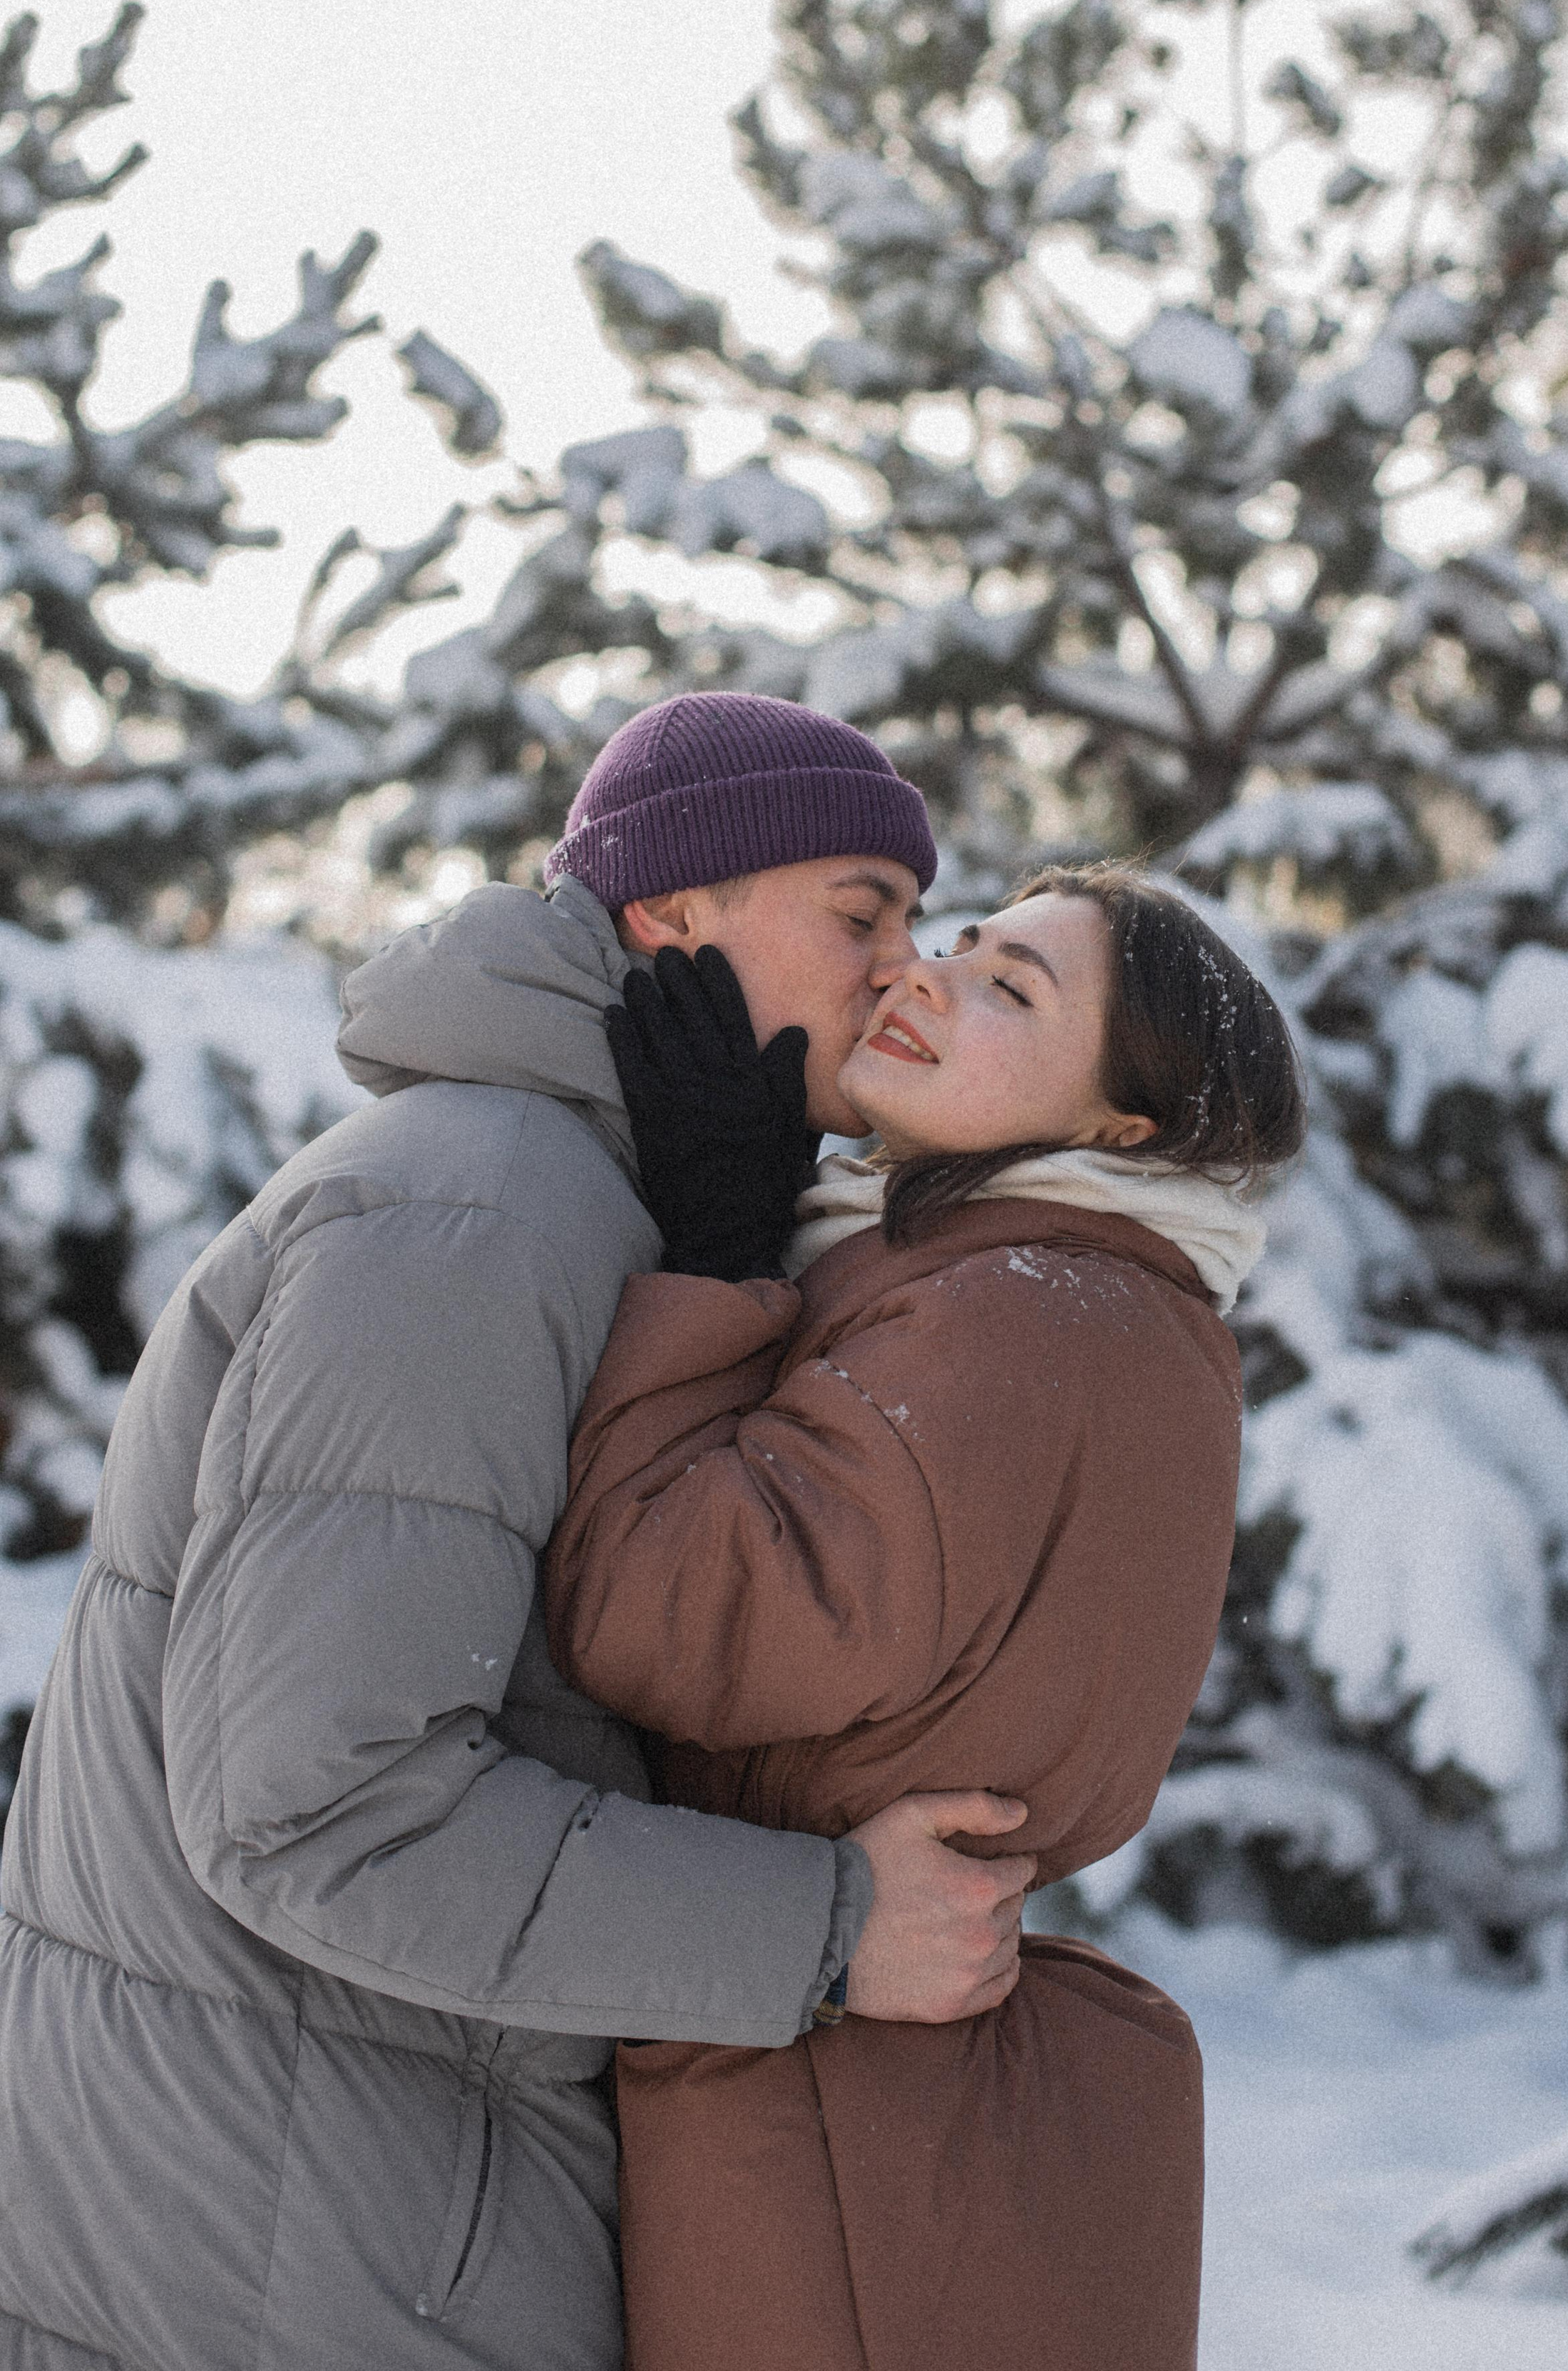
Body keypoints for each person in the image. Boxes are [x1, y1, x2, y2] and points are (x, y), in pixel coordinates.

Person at [0, 694, 1036, 2371]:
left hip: (345, 2213)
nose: (902, 968)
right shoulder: (470, 1206)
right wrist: (831, 1929)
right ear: (669, 916)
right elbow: (314, 1806)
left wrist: (716, 1273)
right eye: (861, 911)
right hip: (276, 2260)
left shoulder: (585, 1203)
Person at [545, 864, 1308, 2371]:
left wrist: (704, 1262)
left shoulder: (1011, 1310)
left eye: (1010, 988)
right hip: (881, 2088)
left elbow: (674, 1614)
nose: (927, 979)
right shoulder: (1069, 1290)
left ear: (1118, 1127)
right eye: (960, 946)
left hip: (832, 2123)